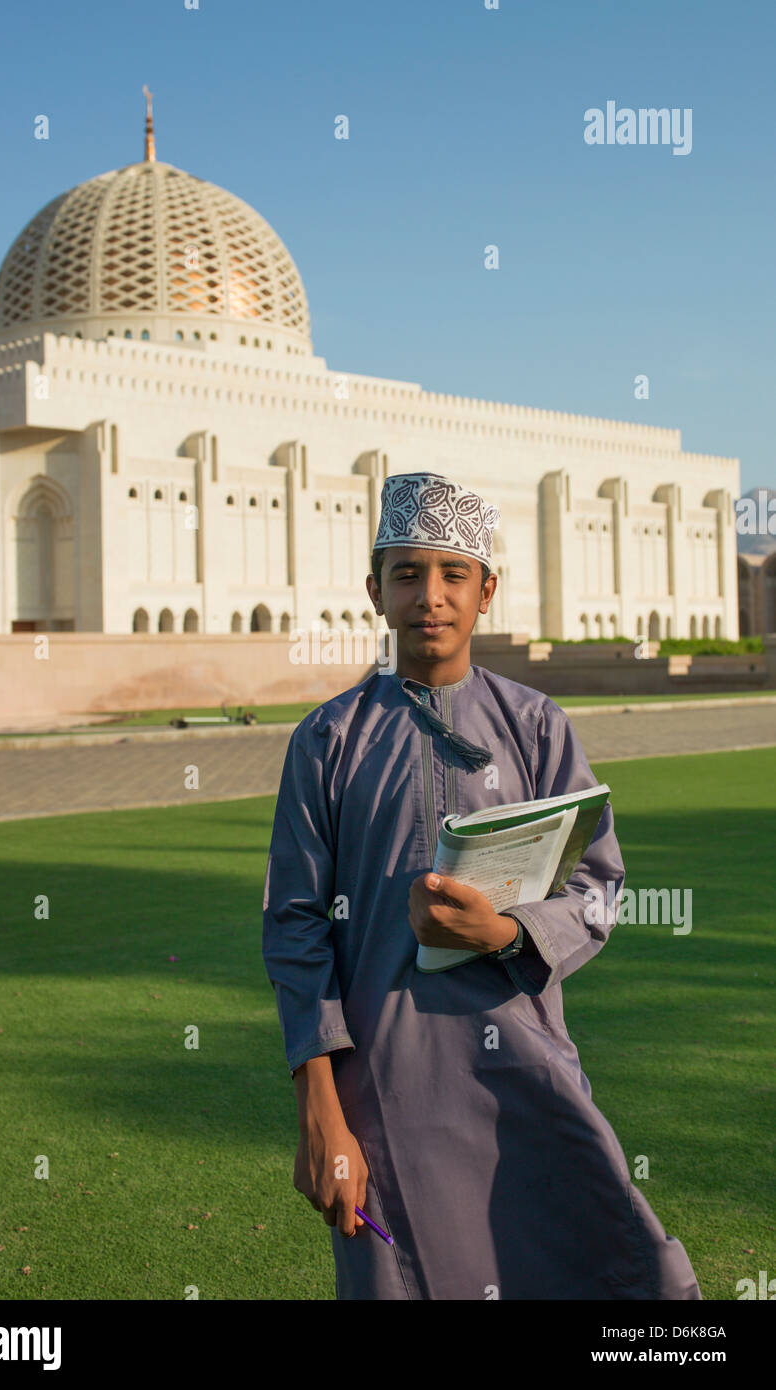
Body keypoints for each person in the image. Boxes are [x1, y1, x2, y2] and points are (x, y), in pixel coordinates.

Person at [262, 471, 702, 1300]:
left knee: (613, 1265)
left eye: (452, 573)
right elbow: (294, 927)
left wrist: (502, 934)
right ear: (375, 591)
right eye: (406, 573)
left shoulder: (536, 727)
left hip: (526, 1065)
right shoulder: (327, 741)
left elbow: (600, 892)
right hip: (383, 1092)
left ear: (486, 590)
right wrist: (321, 1113)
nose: (430, 595)